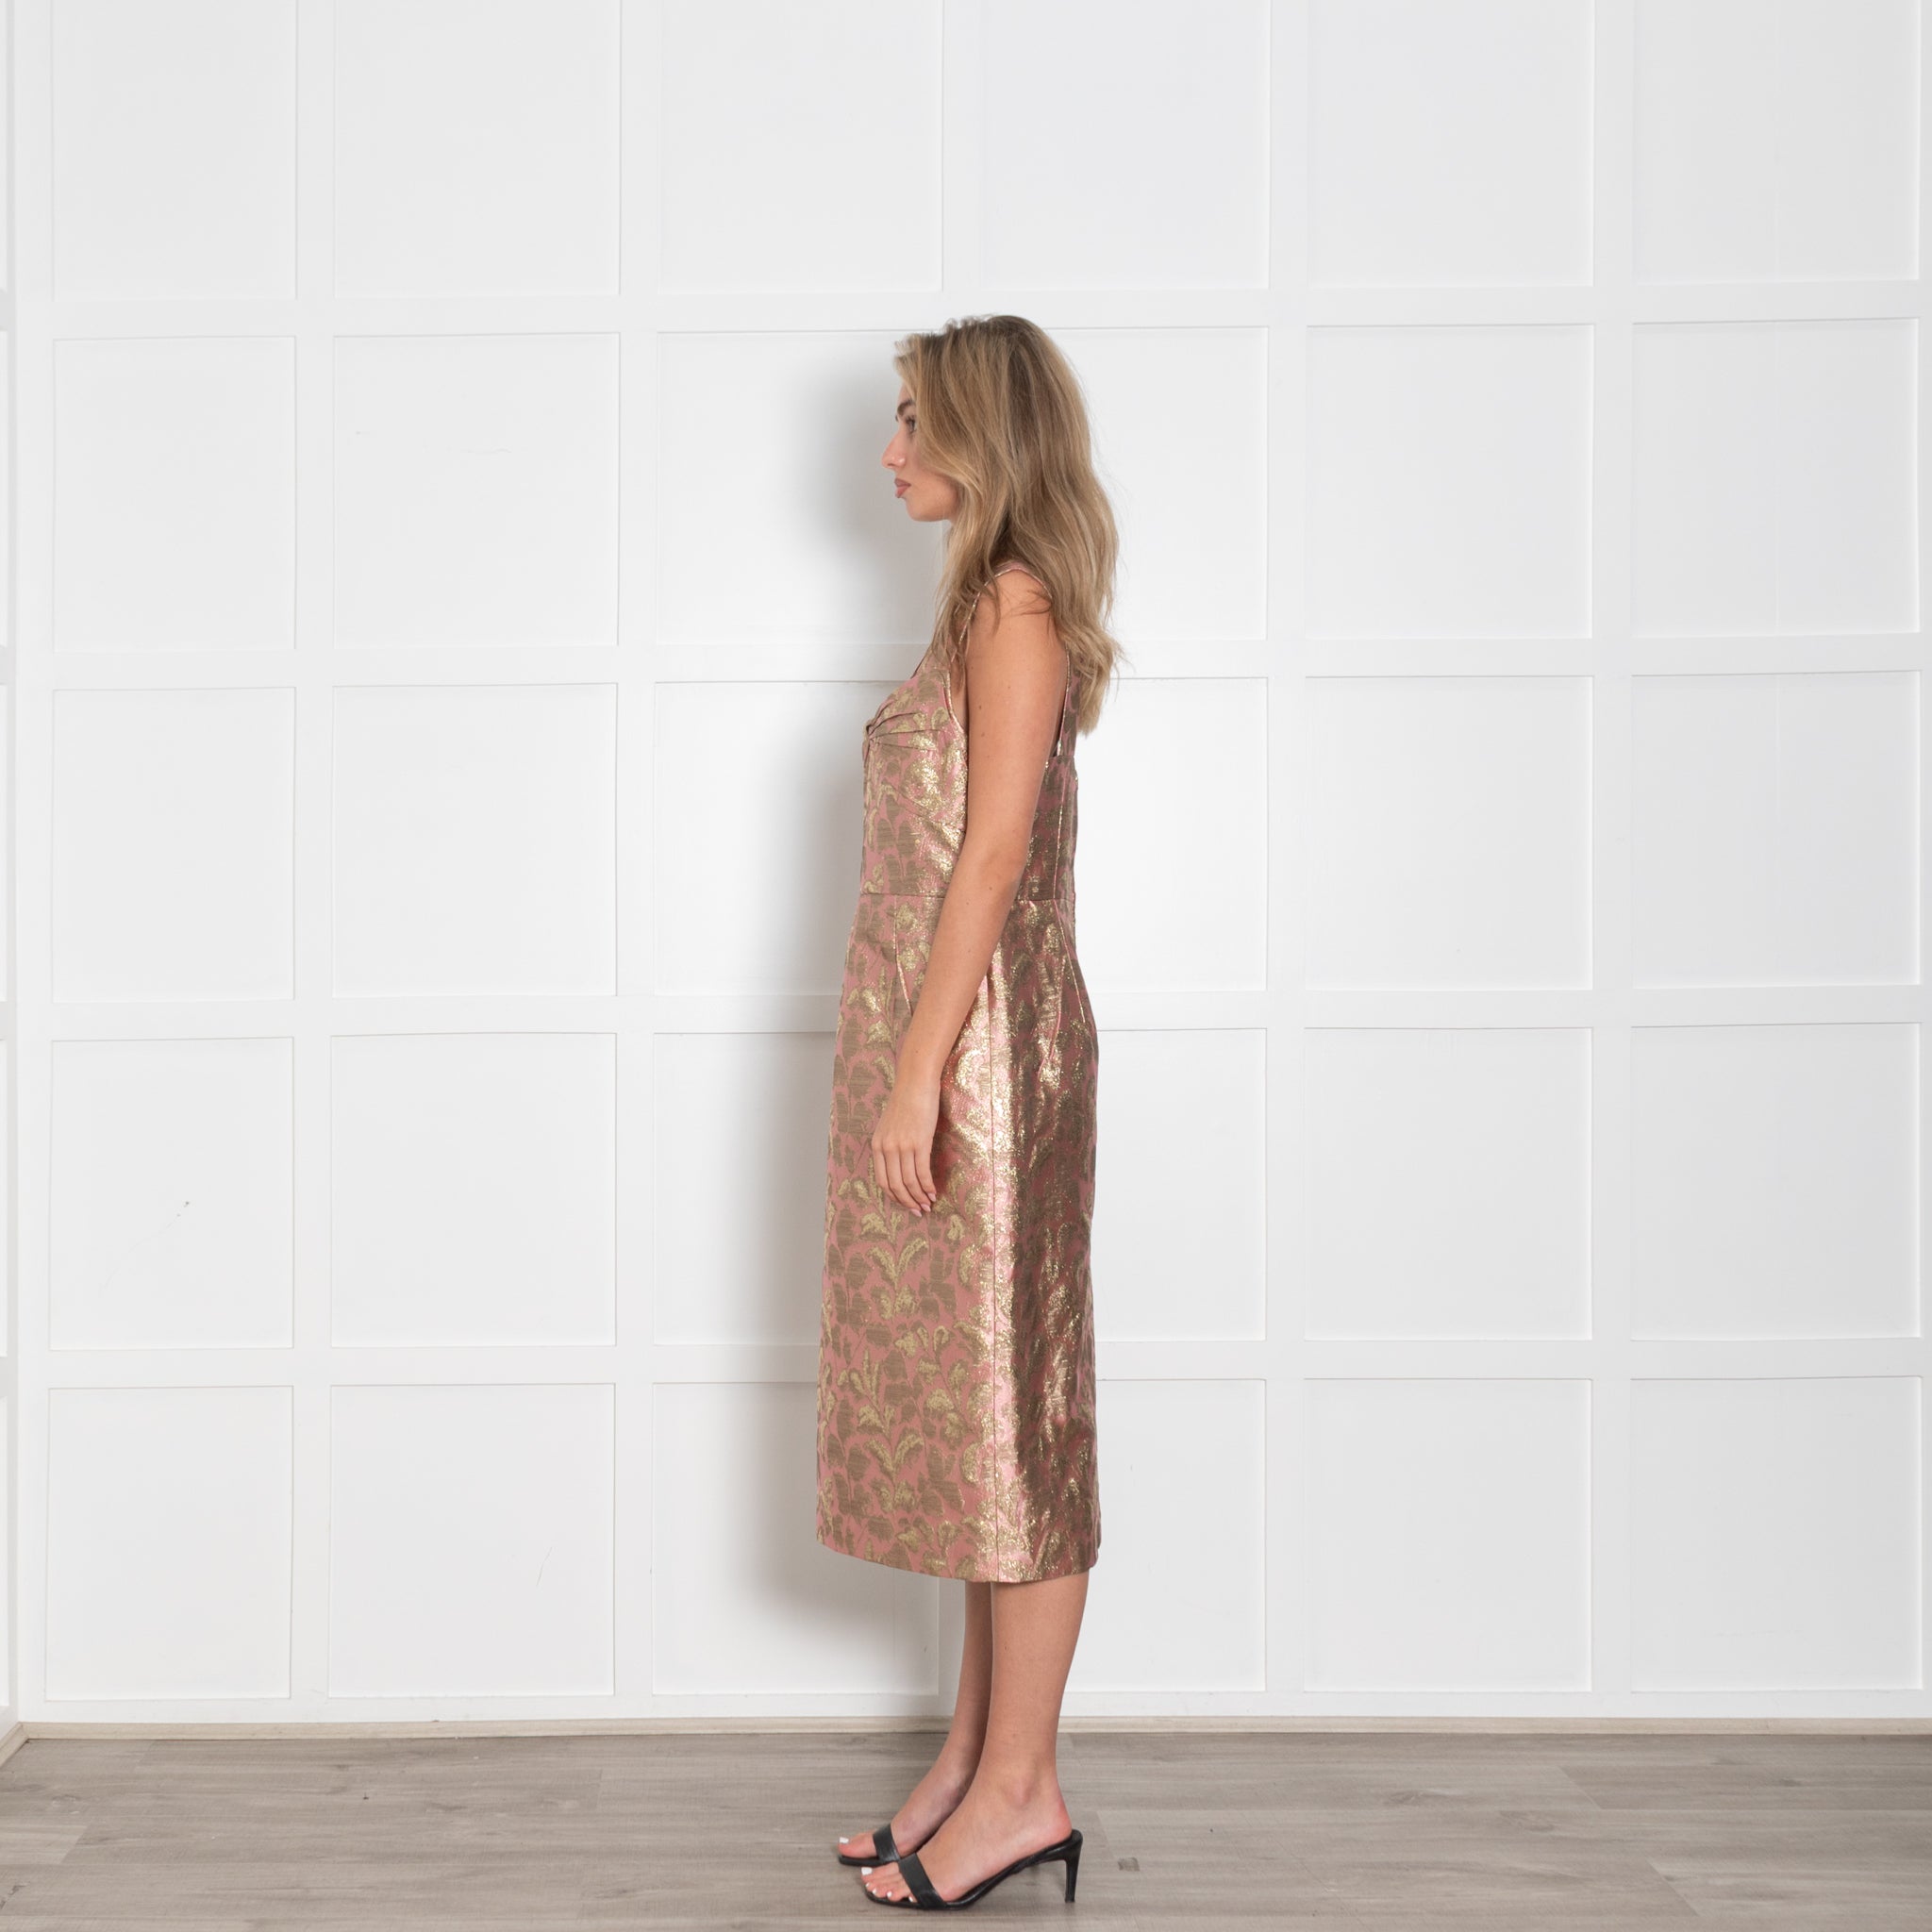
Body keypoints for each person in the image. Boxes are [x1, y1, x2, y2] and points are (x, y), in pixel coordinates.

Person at [814, 313, 1123, 1910]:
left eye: (915, 422)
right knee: (982, 1424)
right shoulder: (983, 599)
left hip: (989, 1060)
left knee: (1022, 1423)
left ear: (984, 438)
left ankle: (1023, 1790)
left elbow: (993, 852)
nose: (889, 451)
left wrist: (921, 1069)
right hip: (966, 1049)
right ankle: (971, 1765)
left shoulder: (1014, 601)